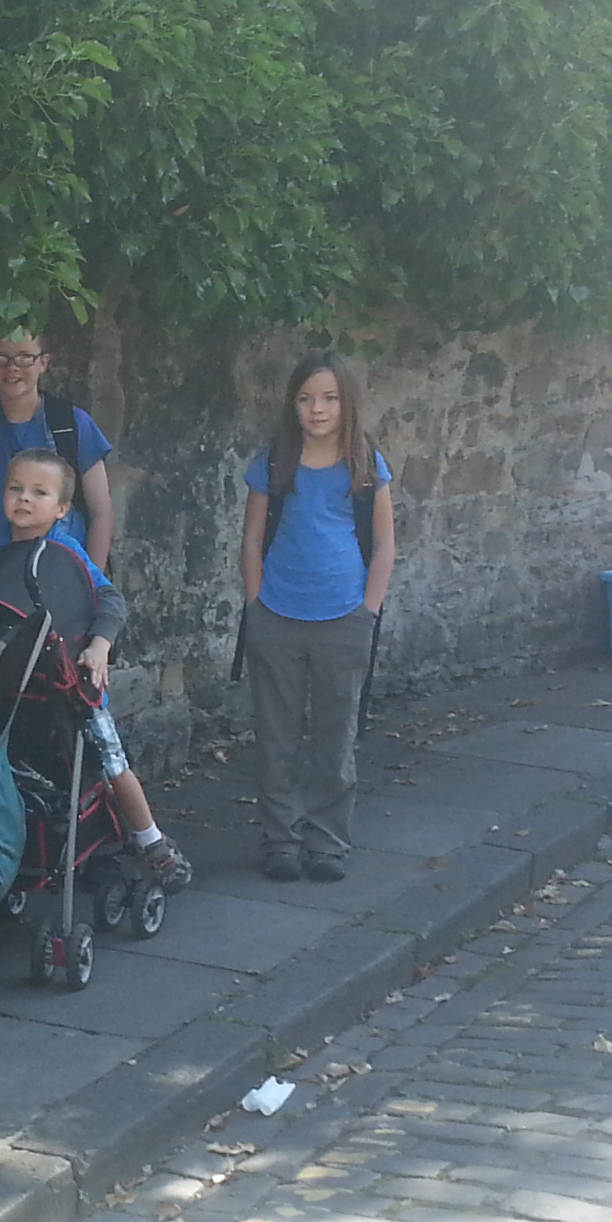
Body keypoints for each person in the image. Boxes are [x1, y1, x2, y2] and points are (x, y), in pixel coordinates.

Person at [0, 450, 192, 890]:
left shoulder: (67, 551)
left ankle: (151, 840)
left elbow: (110, 599)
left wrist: (100, 646)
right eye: (15, 489)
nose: (24, 499)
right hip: (15, 686)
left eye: (39, 493)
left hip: (74, 684)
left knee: (112, 765)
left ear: (62, 509)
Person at [236, 355, 395, 883]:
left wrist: (367, 611)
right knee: (276, 736)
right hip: (278, 615)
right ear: (293, 405)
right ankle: (281, 837)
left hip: (344, 617)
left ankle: (327, 840)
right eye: (306, 399)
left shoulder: (367, 464)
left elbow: (385, 545)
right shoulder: (275, 462)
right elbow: (253, 538)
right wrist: (255, 604)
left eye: (328, 398)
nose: (317, 409)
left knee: (334, 736)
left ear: (347, 402)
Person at [0, 330, 117, 569]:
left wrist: (92, 585)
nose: (12, 368)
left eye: (25, 357)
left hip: (62, 567)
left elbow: (101, 511)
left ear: (43, 362)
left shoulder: (69, 424)